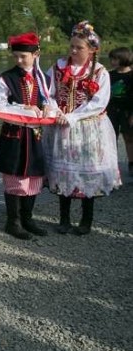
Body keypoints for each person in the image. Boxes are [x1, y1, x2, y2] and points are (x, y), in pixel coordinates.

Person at [44, 21, 122, 235]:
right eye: (72, 46)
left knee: (87, 173)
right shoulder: (58, 67)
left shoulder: (99, 72)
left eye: (79, 48)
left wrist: (72, 116)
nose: (74, 51)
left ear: (92, 49)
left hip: (89, 128)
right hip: (62, 127)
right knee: (63, 172)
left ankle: (86, 220)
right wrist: (55, 111)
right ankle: (64, 219)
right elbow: (47, 93)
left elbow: (98, 102)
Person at [0, 32, 50, 240]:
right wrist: (23, 107)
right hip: (14, 134)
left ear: (36, 54)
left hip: (35, 135)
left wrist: (49, 111)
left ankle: (28, 218)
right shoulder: (6, 78)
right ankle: (12, 221)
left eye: (23, 56)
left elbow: (50, 103)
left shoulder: (44, 79)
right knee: (15, 174)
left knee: (34, 175)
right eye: (15, 56)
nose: (19, 60)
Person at [107, 47, 133, 176]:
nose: (112, 61)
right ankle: (112, 166)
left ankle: (131, 163)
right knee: (111, 138)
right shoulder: (109, 74)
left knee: (129, 138)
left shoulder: (131, 75)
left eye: (115, 58)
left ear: (124, 58)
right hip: (111, 110)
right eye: (111, 58)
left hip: (127, 111)